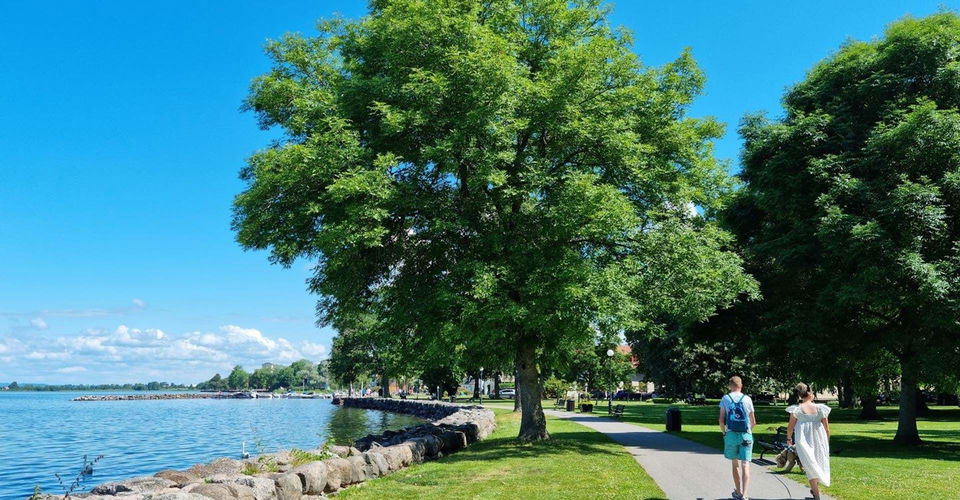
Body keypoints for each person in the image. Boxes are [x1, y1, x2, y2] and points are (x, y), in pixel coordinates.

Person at [786, 383, 831, 499]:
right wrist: (827, 441)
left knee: (810, 464)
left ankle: (815, 492)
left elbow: (790, 427)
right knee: (816, 463)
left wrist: (789, 438)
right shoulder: (820, 409)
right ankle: (816, 493)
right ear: (810, 393)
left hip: (803, 440)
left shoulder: (797, 410)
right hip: (819, 440)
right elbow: (826, 428)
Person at [719, 376, 756, 500]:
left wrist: (724, 433)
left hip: (731, 434)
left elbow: (721, 420)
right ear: (741, 385)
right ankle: (745, 495)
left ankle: (738, 492)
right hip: (746, 434)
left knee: (735, 464)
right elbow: (753, 421)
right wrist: (749, 432)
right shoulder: (747, 399)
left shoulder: (726, 398)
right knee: (746, 464)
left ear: (730, 386)